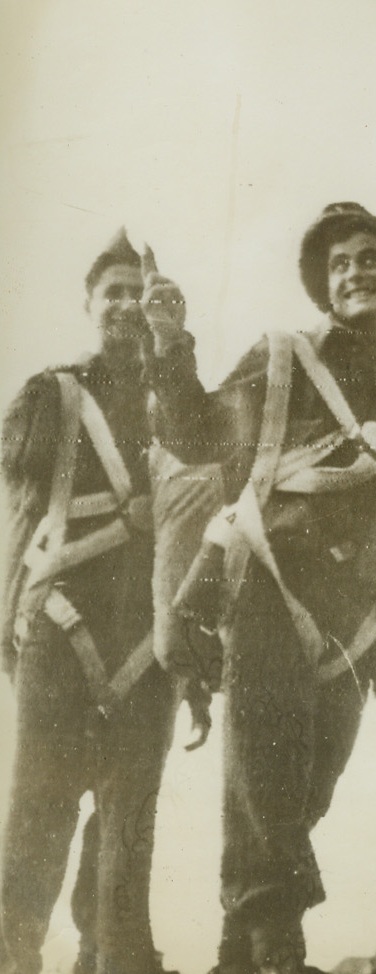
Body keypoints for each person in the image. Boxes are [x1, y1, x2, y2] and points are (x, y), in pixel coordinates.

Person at [144, 203, 376, 974]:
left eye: (370, 257)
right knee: (268, 782)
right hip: (270, 584)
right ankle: (276, 951)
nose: (357, 273)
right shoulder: (284, 359)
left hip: (353, 626)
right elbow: (196, 435)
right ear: (324, 292)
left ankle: (240, 953)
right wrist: (170, 343)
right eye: (340, 266)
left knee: (307, 793)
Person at [0, 230, 190, 974]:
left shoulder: (179, 399)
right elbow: (18, 514)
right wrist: (7, 624)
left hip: (149, 642)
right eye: (109, 292)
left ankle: (111, 960)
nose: (123, 305)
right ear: (89, 305)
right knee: (40, 810)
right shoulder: (52, 394)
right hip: (60, 626)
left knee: (130, 824)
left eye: (135, 293)